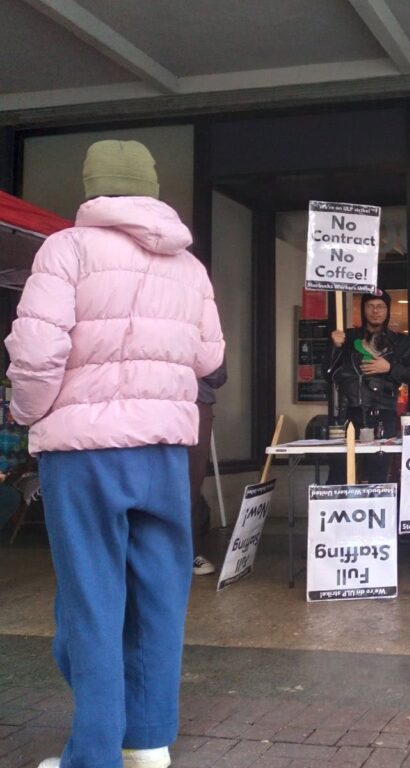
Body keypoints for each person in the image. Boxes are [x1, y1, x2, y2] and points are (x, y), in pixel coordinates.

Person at [5, 140, 224, 768]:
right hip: (164, 452)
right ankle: (148, 743)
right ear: (150, 188)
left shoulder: (67, 249)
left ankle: (94, 755)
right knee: (159, 596)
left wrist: (28, 414)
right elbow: (210, 359)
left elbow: (37, 354)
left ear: (93, 187)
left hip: (85, 454)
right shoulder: (190, 265)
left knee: (91, 601)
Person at [323, 289, 410, 483]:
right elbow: (328, 375)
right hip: (348, 415)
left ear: (388, 310)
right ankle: (342, 512)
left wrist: (390, 368)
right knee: (340, 476)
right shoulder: (347, 338)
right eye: (370, 306)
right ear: (363, 309)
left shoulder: (401, 342)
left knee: (378, 476)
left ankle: (378, 512)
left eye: (380, 306)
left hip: (382, 416)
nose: (375, 311)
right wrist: (335, 347)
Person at [188, 362, 227, 575]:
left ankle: (190, 552)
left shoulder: (205, 329)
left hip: (196, 402)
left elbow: (218, 375)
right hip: (151, 405)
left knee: (190, 482)